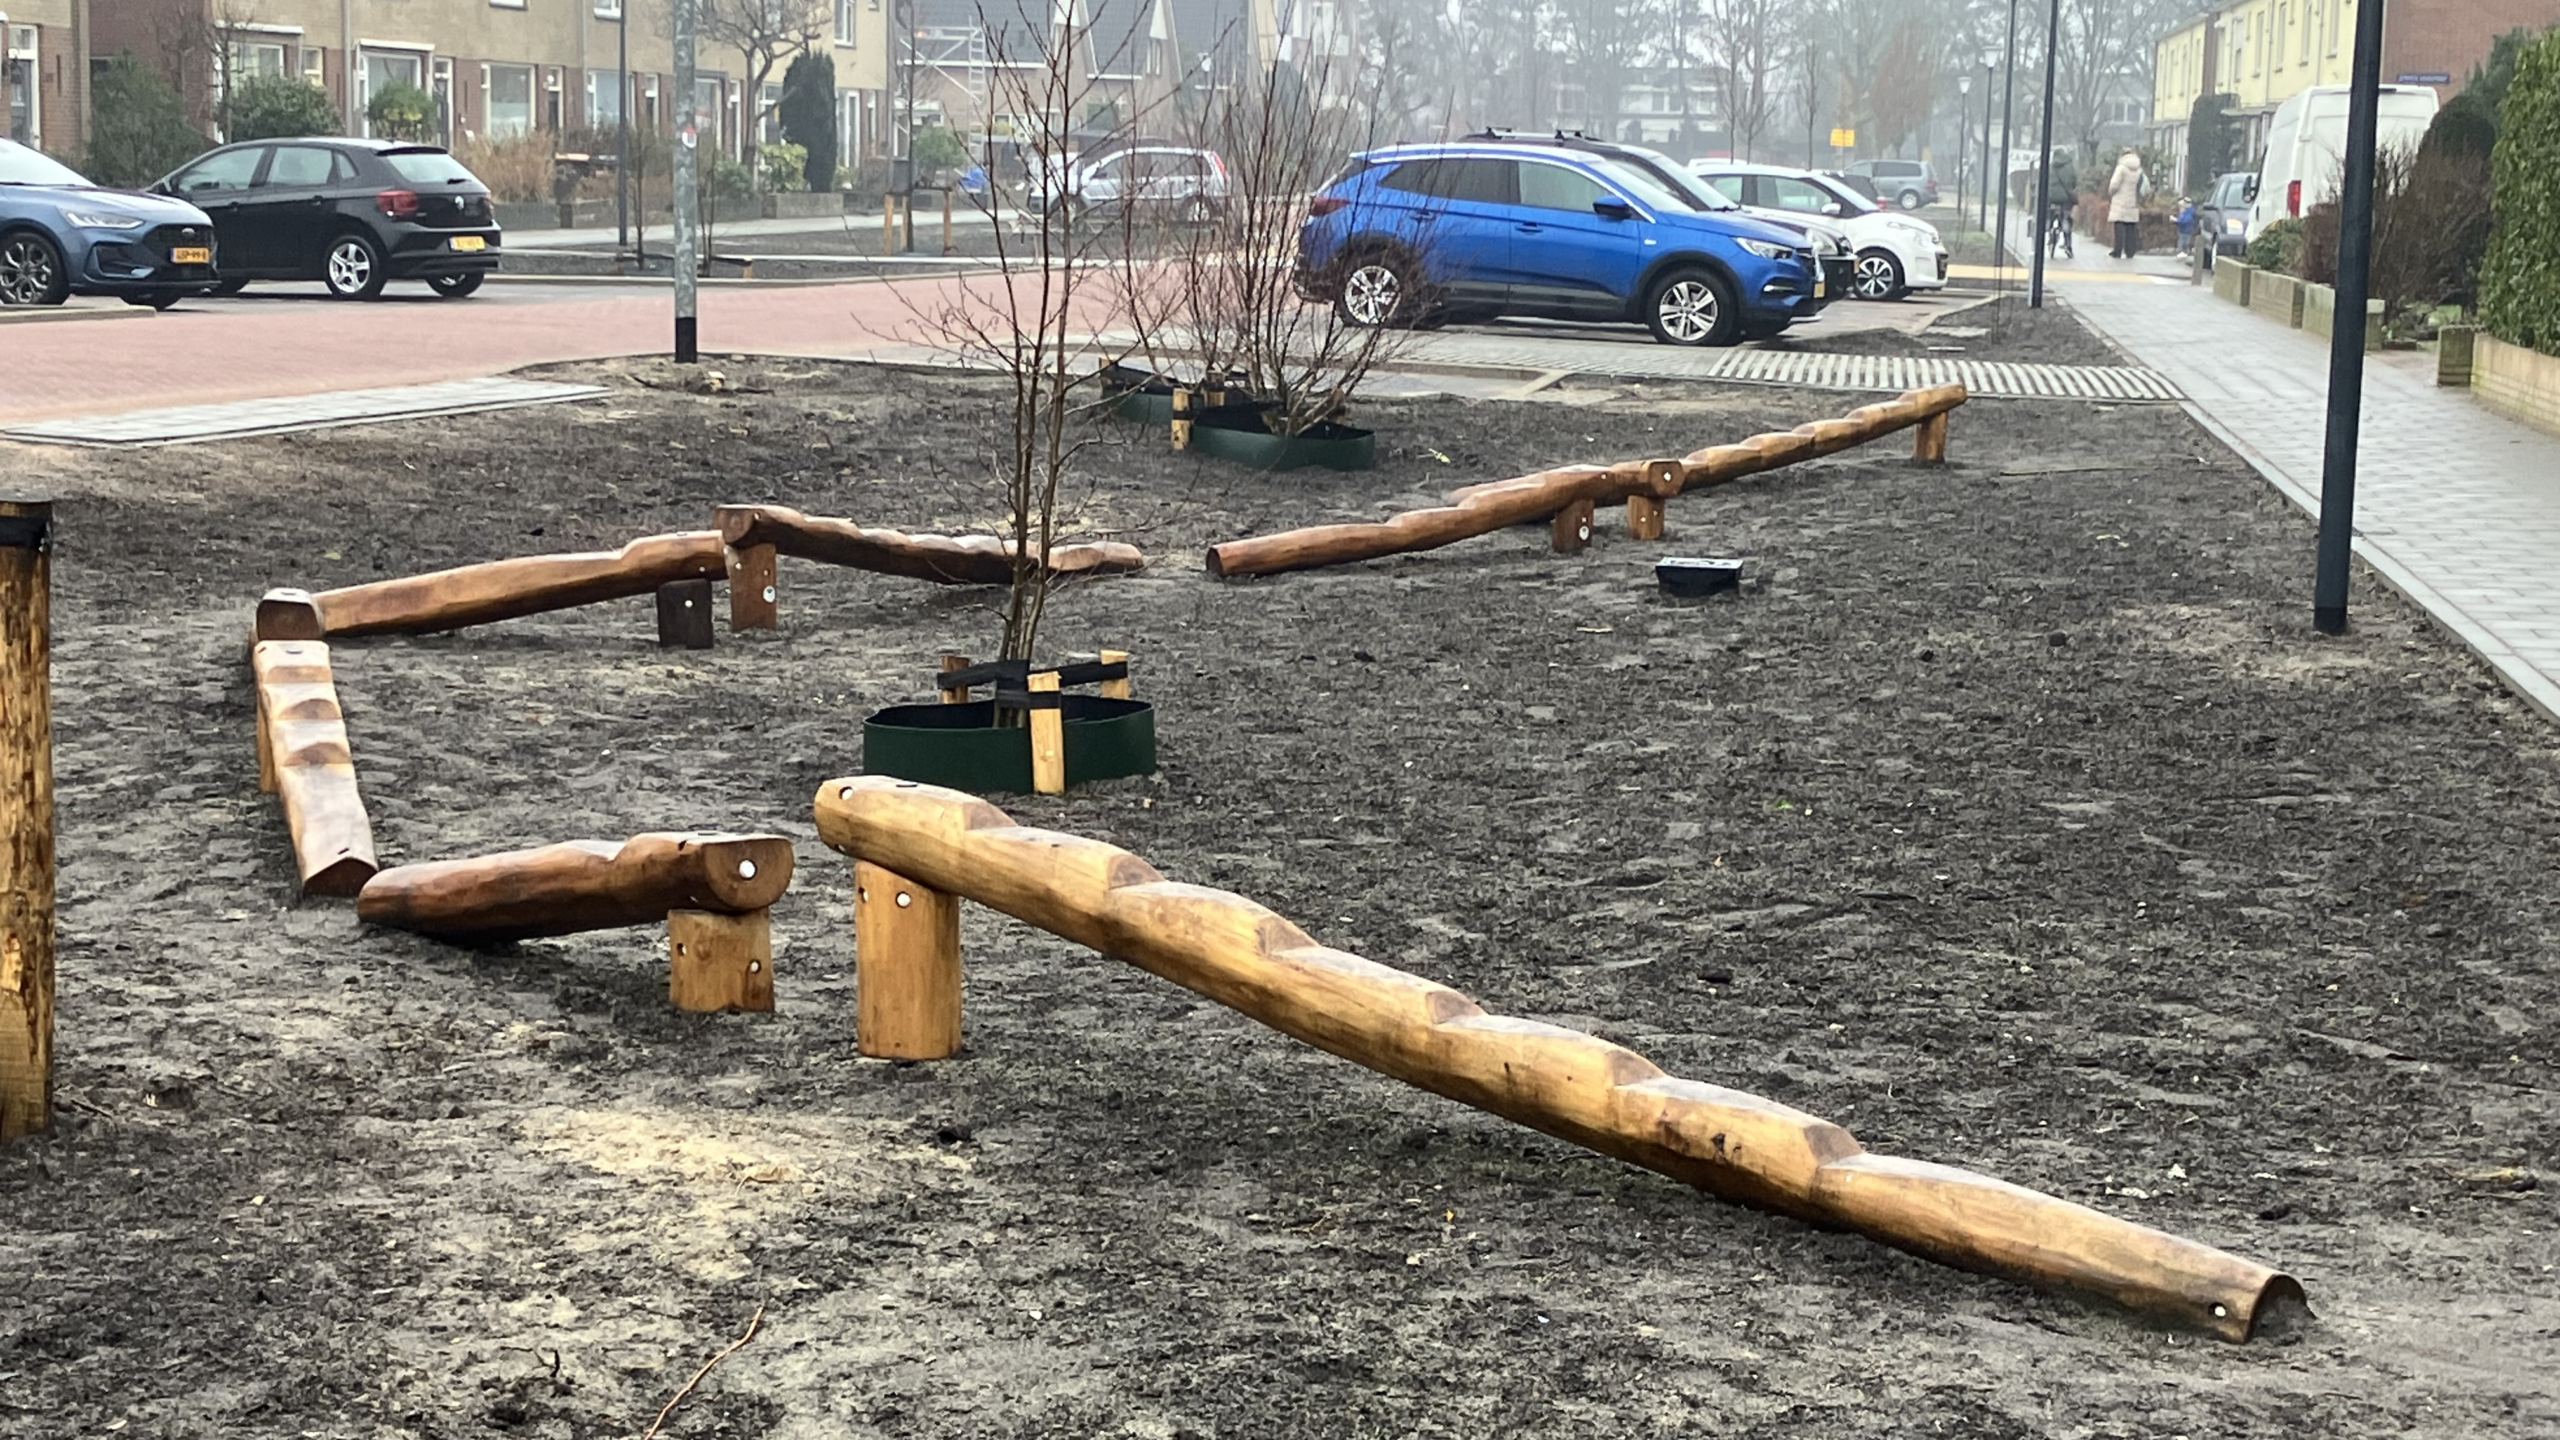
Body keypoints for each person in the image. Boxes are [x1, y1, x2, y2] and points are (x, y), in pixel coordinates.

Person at [2106, 147, 2144, 259]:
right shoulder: (2138, 169)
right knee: (2131, 226)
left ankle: (2117, 250)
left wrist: (2111, 192)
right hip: (2133, 200)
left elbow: (2114, 184)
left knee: (2119, 226)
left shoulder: (2121, 168)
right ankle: (2130, 251)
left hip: (2120, 200)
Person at [2047, 190, 2076, 258]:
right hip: (2064, 202)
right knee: (2066, 222)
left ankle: (2050, 237)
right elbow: (2071, 186)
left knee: (2049, 218)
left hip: (2051, 199)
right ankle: (2068, 246)